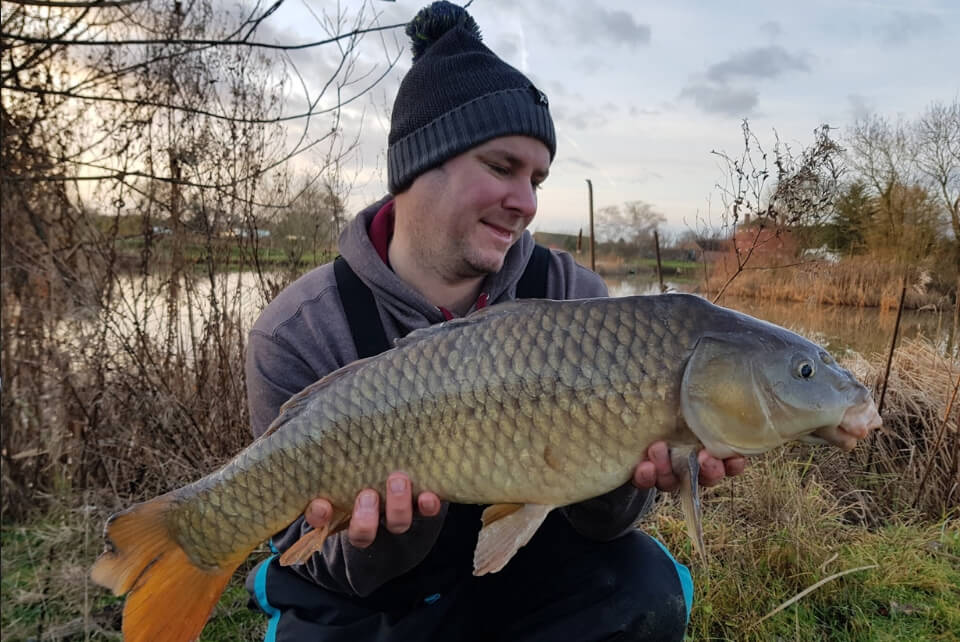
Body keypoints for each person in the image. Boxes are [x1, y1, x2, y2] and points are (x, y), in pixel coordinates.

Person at [244, 3, 745, 640]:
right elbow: (316, 558)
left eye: (537, 177)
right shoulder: (299, 330)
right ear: (419, 167)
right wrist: (392, 533)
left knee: (646, 588)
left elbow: (608, 529)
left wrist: (618, 479)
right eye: (502, 167)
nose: (528, 203)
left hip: (523, 576)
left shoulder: (575, 298)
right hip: (379, 600)